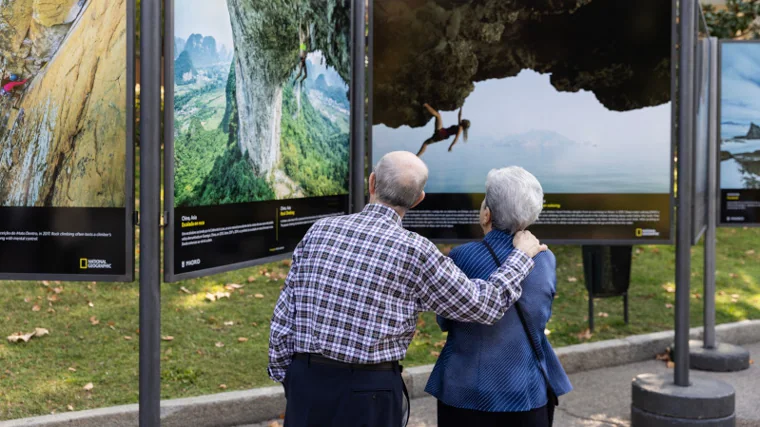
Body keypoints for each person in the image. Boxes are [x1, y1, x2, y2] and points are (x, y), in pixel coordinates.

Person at [269, 151, 548, 427]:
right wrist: (521, 257)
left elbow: (284, 314)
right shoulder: (416, 251)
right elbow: (484, 305)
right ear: (418, 199)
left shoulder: (319, 231)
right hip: (370, 393)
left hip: (306, 381)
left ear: (372, 183)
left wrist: (290, 377)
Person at [425, 166, 572, 427]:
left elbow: (445, 320)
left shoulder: (461, 257)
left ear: (486, 213)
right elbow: (541, 317)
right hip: (526, 391)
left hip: (464, 392)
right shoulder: (545, 258)